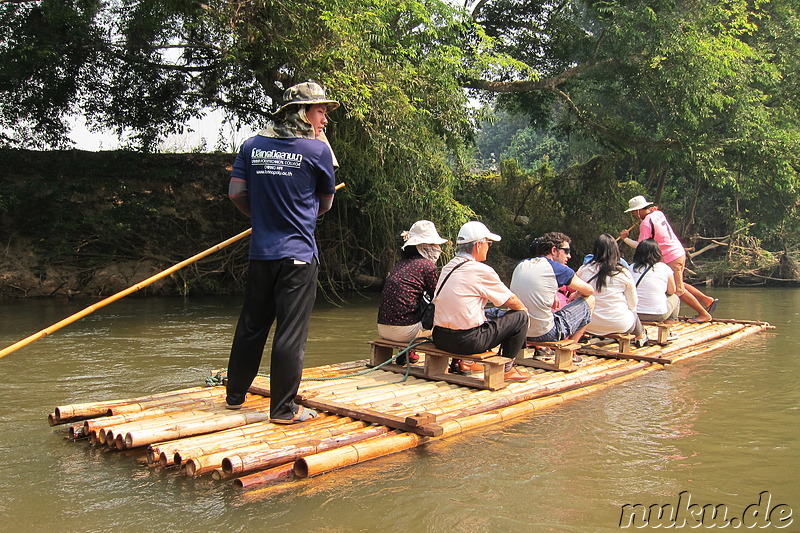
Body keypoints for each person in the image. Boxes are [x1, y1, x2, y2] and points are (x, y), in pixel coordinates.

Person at [225, 82, 339, 423]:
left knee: (251, 325)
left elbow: (235, 194)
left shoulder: (251, 146)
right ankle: (284, 410)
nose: (325, 121)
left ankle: (234, 396)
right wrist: (298, 214)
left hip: (261, 252)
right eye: (321, 112)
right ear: (303, 112)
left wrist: (261, 215)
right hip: (298, 255)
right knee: (290, 332)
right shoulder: (317, 151)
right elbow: (326, 203)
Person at [431, 221, 531, 382]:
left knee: (490, 314)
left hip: (440, 338)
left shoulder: (448, 267)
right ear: (478, 245)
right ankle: (507, 369)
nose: (488, 247)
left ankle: (468, 363)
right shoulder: (481, 270)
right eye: (488, 243)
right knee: (520, 317)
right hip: (466, 342)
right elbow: (511, 300)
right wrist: (525, 312)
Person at [619, 195, 717, 323]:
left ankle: (703, 314)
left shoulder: (645, 224)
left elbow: (642, 246)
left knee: (678, 290)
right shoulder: (657, 213)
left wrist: (625, 239)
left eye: (633, 211)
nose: (632, 214)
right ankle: (706, 299)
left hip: (670, 256)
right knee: (677, 284)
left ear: (638, 210)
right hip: (677, 252)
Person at [510, 232, 595, 350]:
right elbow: (589, 290)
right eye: (566, 251)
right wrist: (577, 293)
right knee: (590, 300)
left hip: (519, 330)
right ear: (554, 250)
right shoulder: (559, 269)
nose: (569, 256)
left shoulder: (522, 264)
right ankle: (572, 350)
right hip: (545, 334)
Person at [377, 220, 447, 348]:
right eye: (435, 244)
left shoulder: (400, 264)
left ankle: (408, 353)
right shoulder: (427, 266)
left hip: (382, 328)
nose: (438, 248)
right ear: (425, 246)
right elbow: (438, 297)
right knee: (443, 310)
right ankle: (456, 358)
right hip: (404, 332)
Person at [577, 234, 648, 347]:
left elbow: (577, 295)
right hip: (620, 324)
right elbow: (633, 303)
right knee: (633, 311)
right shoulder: (623, 273)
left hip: (589, 324)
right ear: (616, 251)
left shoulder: (584, 270)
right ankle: (640, 336)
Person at [630, 239, 680, 323]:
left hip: (634, 314)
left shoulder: (631, 268)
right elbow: (672, 291)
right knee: (675, 298)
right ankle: (669, 325)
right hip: (658, 315)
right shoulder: (664, 268)